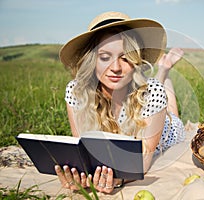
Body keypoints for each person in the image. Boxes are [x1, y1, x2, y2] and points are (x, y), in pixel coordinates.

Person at [55, 11, 185, 194]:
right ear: (92, 60)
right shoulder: (77, 92)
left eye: (125, 57)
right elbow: (82, 147)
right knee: (157, 89)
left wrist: (117, 178)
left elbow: (144, 160)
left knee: (171, 112)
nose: (115, 68)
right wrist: (79, 174)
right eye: (105, 57)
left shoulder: (153, 93)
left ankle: (164, 71)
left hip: (166, 132)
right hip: (146, 101)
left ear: (136, 60)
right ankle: (163, 72)